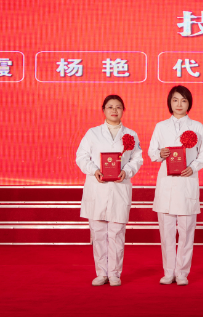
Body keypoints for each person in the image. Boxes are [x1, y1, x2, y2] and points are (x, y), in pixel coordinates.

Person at [76, 95, 143, 287]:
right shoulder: (92, 133)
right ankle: (101, 273)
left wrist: (126, 171)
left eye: (118, 107)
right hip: (97, 188)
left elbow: (137, 159)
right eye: (110, 107)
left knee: (116, 233)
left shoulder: (131, 134)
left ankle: (114, 273)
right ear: (103, 110)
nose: (114, 110)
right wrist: (94, 170)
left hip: (119, 188)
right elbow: (81, 157)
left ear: (123, 110)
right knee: (98, 233)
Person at [148, 85, 203, 286]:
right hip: (167, 183)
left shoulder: (197, 126)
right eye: (175, 100)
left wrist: (193, 167)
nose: (179, 104)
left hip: (187, 182)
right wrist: (160, 154)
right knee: (166, 233)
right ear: (170, 102)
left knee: (186, 232)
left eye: (183, 100)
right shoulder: (160, 127)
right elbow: (151, 152)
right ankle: (168, 271)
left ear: (189, 103)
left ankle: (182, 272)